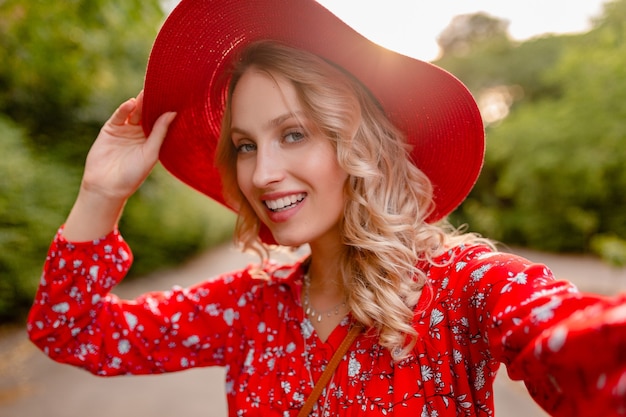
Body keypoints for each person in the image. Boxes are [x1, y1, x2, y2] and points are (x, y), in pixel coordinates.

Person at [27, 0, 626, 416]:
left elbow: (583, 348)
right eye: (244, 145)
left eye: (293, 134)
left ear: (358, 146)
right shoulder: (251, 307)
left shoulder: (467, 288)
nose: (261, 174)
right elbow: (70, 331)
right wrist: (101, 193)